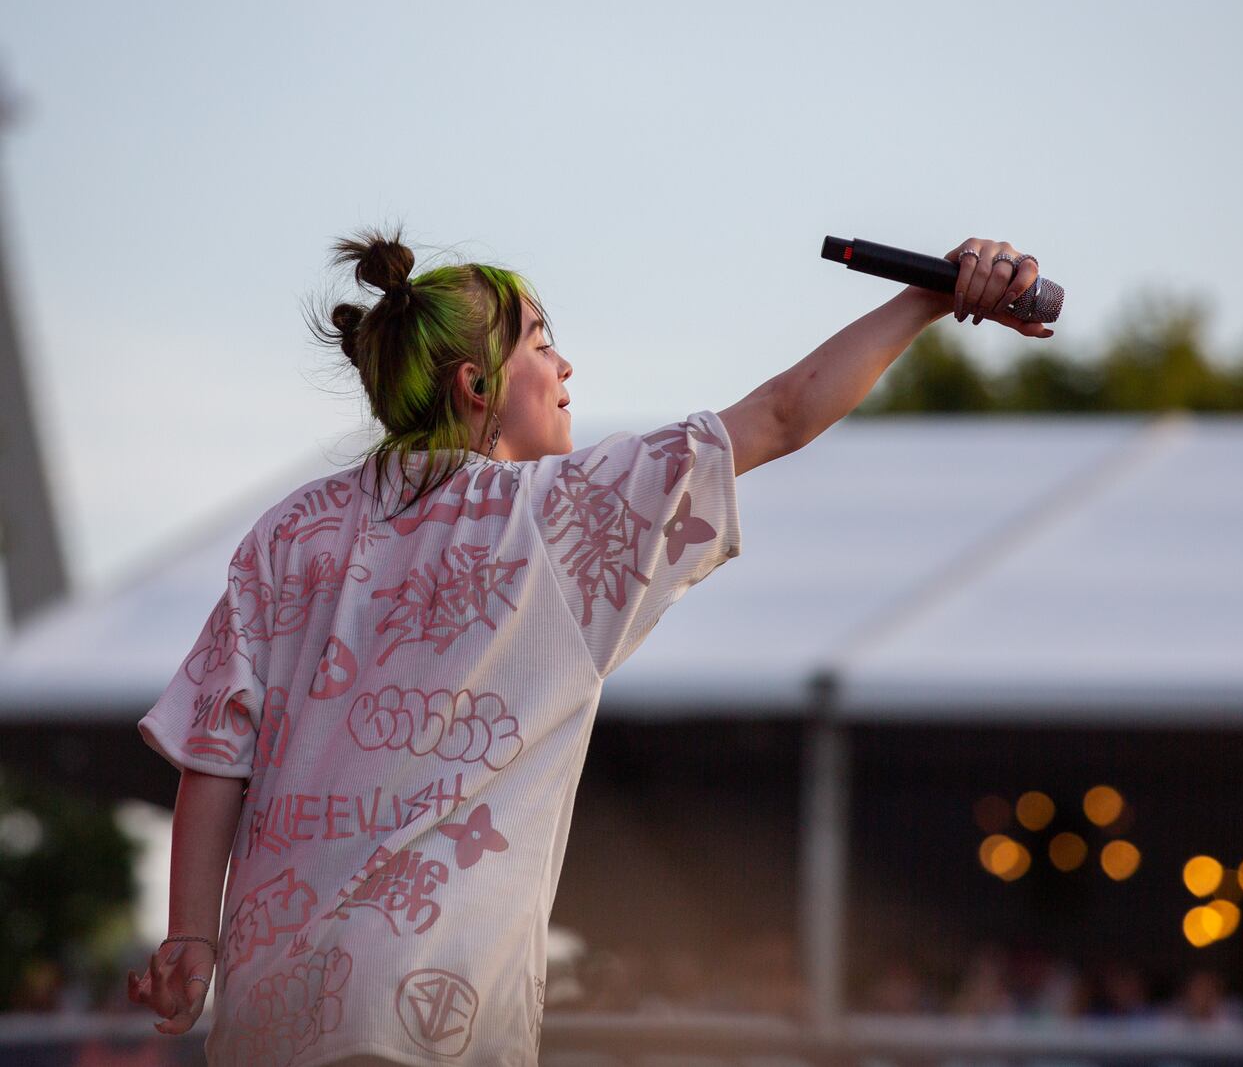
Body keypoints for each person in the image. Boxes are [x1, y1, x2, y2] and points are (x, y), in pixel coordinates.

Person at [126, 225, 1051, 1065]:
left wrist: (189, 941)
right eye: (541, 343)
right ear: (476, 386)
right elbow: (782, 414)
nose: (565, 364)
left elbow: (215, 754)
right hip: (431, 1017)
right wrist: (926, 298)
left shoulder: (290, 534)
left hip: (265, 1018)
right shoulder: (556, 516)